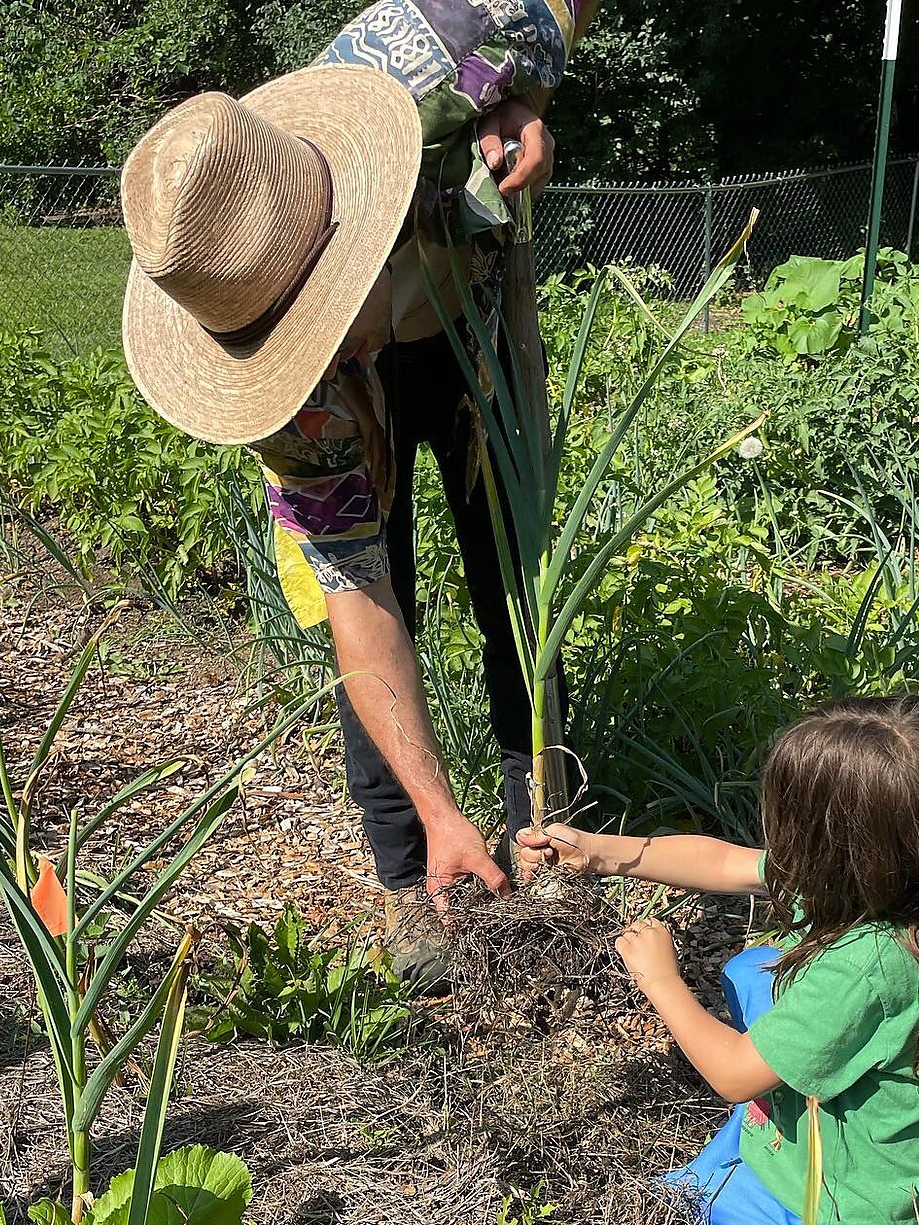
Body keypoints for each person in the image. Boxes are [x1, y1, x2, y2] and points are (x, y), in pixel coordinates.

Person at [119, 3, 598, 990]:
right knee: (389, 592)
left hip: (468, 324)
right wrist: (436, 807)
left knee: (517, 579)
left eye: (328, 319)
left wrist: (528, 111)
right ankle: (420, 872)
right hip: (370, 387)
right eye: (302, 338)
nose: (327, 347)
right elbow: (361, 610)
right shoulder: (291, 401)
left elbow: (557, 13)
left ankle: (548, 832)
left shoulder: (447, 47)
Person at [519, 696, 919, 1225]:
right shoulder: (902, 891)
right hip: (830, 1147)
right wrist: (600, 851)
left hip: (846, 1210)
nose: (780, 844)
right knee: (755, 971)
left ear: (843, 848)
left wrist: (661, 981)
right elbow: (723, 860)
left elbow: (735, 1075)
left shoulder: (870, 967)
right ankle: (769, 1156)